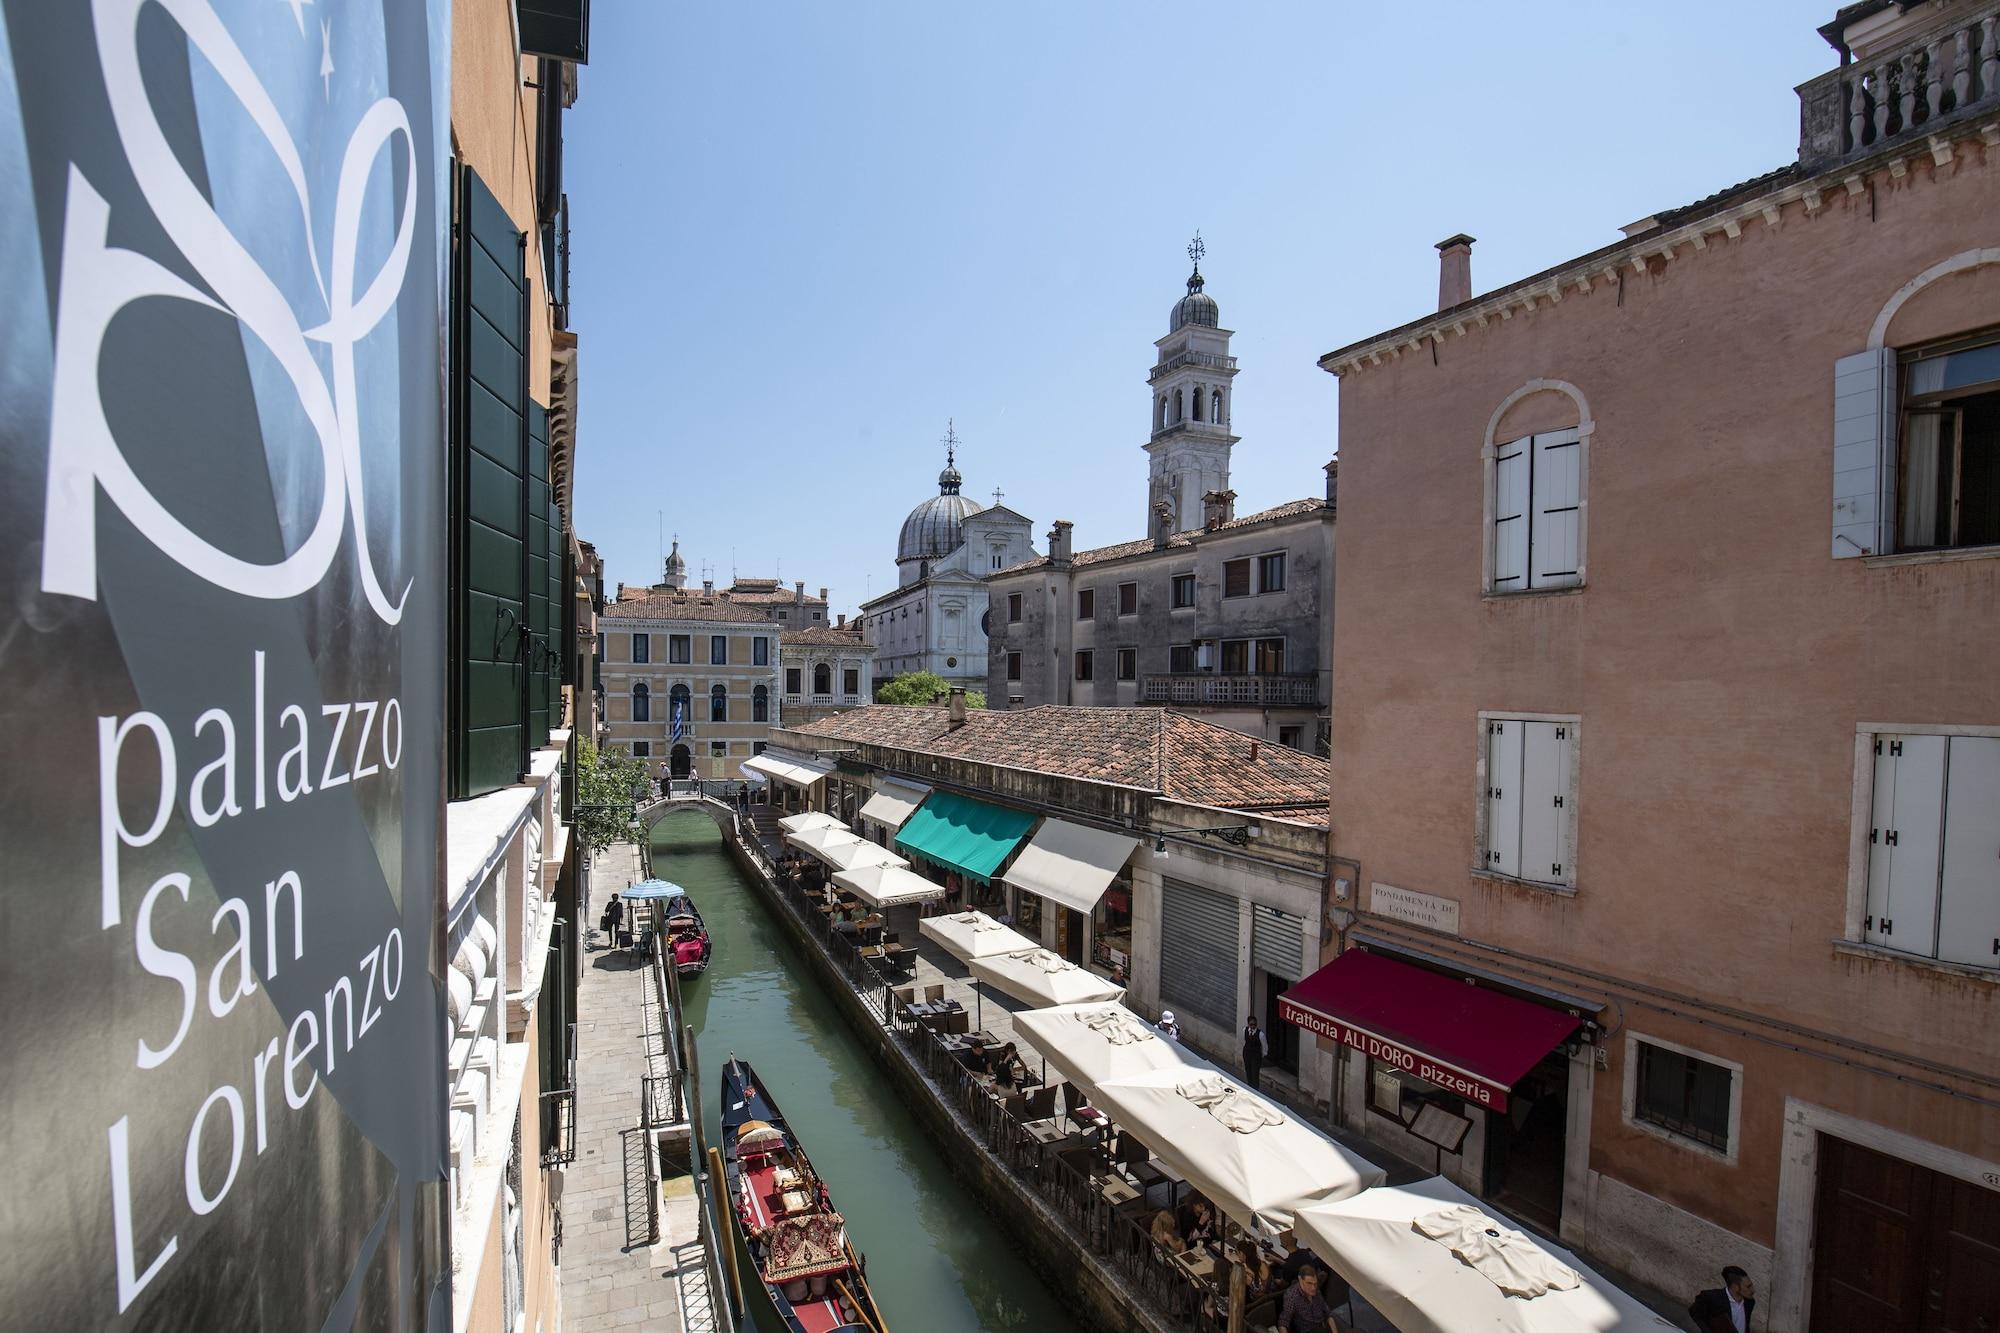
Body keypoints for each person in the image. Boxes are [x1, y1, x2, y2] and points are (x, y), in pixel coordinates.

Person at [1690, 1266, 1757, 1333]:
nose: (1753, 1290)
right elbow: (1694, 1312)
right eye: (1748, 1286)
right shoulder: (1712, 1297)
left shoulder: (1749, 1302)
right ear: (1735, 1287)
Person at [1277, 1267, 1335, 1333]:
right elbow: (1283, 1322)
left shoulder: (1316, 1289)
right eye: (1309, 1283)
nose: (1313, 1288)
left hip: (1323, 1325)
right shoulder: (1292, 1296)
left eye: (1315, 1283)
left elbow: (1327, 1312)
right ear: (1300, 1280)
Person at [1242, 1017, 1268, 1091]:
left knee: (1255, 1073)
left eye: (1254, 1024)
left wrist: (1262, 1055)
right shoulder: (1245, 1030)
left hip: (1256, 1055)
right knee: (1248, 1071)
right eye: (1251, 1024)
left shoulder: (1260, 1034)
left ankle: (1255, 1089)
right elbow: (1244, 1040)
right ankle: (1249, 1087)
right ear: (1248, 1024)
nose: (1253, 1026)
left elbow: (1265, 1046)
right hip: (1247, 1053)